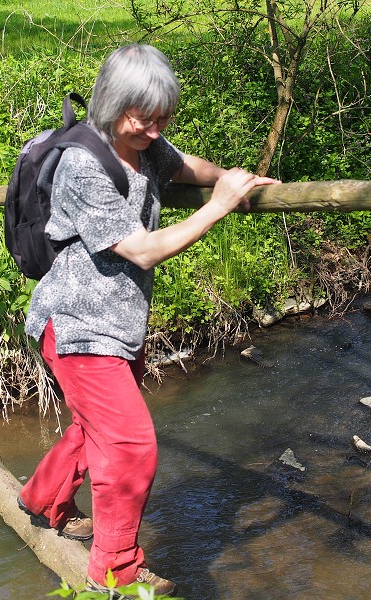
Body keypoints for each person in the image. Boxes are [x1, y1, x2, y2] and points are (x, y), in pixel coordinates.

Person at [17, 43, 280, 596]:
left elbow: (186, 167)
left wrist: (232, 178)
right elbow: (140, 251)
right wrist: (219, 205)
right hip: (77, 326)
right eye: (145, 116)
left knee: (100, 431)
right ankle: (114, 575)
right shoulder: (84, 164)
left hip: (118, 326)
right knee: (132, 447)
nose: (156, 129)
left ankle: (42, 499)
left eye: (164, 117)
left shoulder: (146, 143)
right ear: (112, 103)